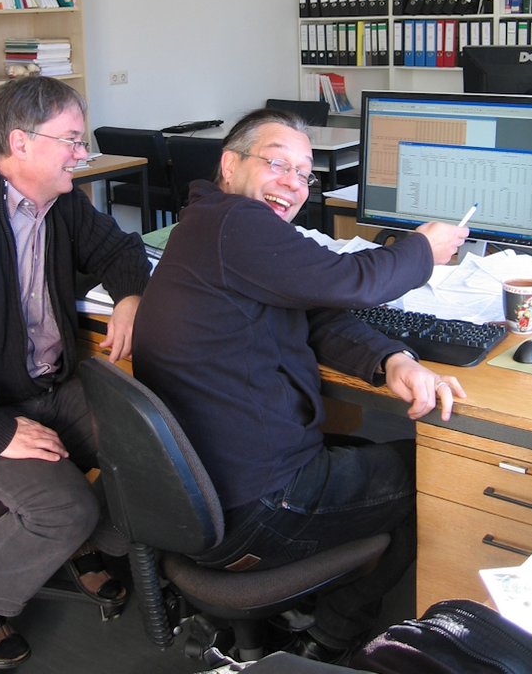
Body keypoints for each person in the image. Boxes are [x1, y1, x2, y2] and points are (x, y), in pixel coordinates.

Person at [132, 108, 468, 665]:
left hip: (203, 498)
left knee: (371, 455)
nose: (293, 182)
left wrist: (391, 359)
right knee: (436, 477)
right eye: (277, 163)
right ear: (230, 164)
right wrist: (421, 250)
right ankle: (331, 638)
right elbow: (350, 280)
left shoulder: (208, 223)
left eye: (304, 173)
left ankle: (309, 613)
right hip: (257, 504)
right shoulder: (236, 223)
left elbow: (314, 309)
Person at [0, 76, 151, 668]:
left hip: (41, 384)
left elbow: (122, 250)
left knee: (155, 451)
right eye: (71, 140)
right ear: (20, 143)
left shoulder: (61, 202)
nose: (82, 153)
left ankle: (80, 546)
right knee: (65, 507)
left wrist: (130, 295)